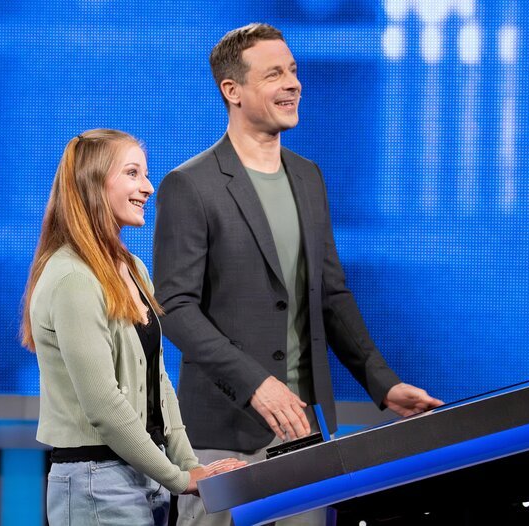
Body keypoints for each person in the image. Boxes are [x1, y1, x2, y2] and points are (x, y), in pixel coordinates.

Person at [153, 24, 443, 525]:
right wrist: (255, 383)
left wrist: (383, 383)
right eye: (274, 74)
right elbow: (175, 308)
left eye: (293, 71)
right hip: (225, 433)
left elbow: (331, 294)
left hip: (304, 435)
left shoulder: (308, 177)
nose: (293, 83)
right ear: (233, 91)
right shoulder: (190, 184)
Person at [21, 129, 245, 526]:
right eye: (133, 173)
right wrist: (179, 477)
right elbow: (104, 405)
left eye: (145, 174)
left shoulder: (133, 269)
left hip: (145, 476)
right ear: (93, 183)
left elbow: (158, 381)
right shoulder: (72, 277)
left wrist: (190, 466)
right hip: (96, 482)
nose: (148, 187)